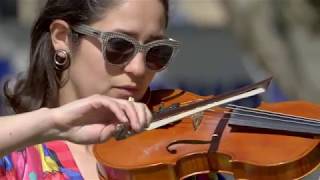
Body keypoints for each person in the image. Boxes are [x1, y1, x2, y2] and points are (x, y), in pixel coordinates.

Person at [0, 0, 179, 179]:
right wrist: (54, 122)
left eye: (156, 51)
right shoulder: (15, 158)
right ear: (62, 37)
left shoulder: (175, 159)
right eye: (119, 45)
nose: (139, 69)